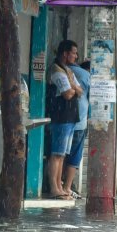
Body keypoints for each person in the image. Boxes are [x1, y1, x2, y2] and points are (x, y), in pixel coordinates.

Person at [47, 40, 82, 199]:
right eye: (73, 53)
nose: (76, 56)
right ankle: (54, 187)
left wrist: (73, 88)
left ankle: (59, 185)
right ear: (65, 53)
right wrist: (73, 88)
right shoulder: (57, 70)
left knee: (62, 155)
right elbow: (68, 93)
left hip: (69, 117)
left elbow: (79, 91)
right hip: (61, 118)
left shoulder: (68, 71)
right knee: (56, 153)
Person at [62, 59, 91, 199]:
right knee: (74, 155)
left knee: (60, 153)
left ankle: (59, 184)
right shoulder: (86, 75)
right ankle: (66, 187)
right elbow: (92, 98)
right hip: (80, 121)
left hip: (62, 119)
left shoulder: (59, 70)